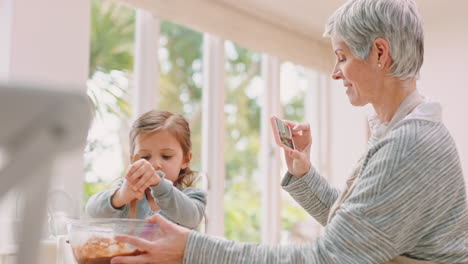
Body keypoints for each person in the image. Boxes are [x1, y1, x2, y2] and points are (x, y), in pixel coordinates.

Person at [110, 0, 468, 263]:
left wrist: (192, 248)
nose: (335, 72)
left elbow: (330, 256)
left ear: (379, 53)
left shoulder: (411, 143)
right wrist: (303, 173)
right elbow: (358, 231)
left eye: (341, 56)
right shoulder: (403, 131)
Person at [86, 110, 206, 229]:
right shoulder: (128, 194)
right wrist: (119, 197)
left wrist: (159, 185)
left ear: (185, 160)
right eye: (145, 157)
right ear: (133, 160)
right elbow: (92, 211)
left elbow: (192, 217)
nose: (154, 164)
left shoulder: (191, 197)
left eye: (166, 156)